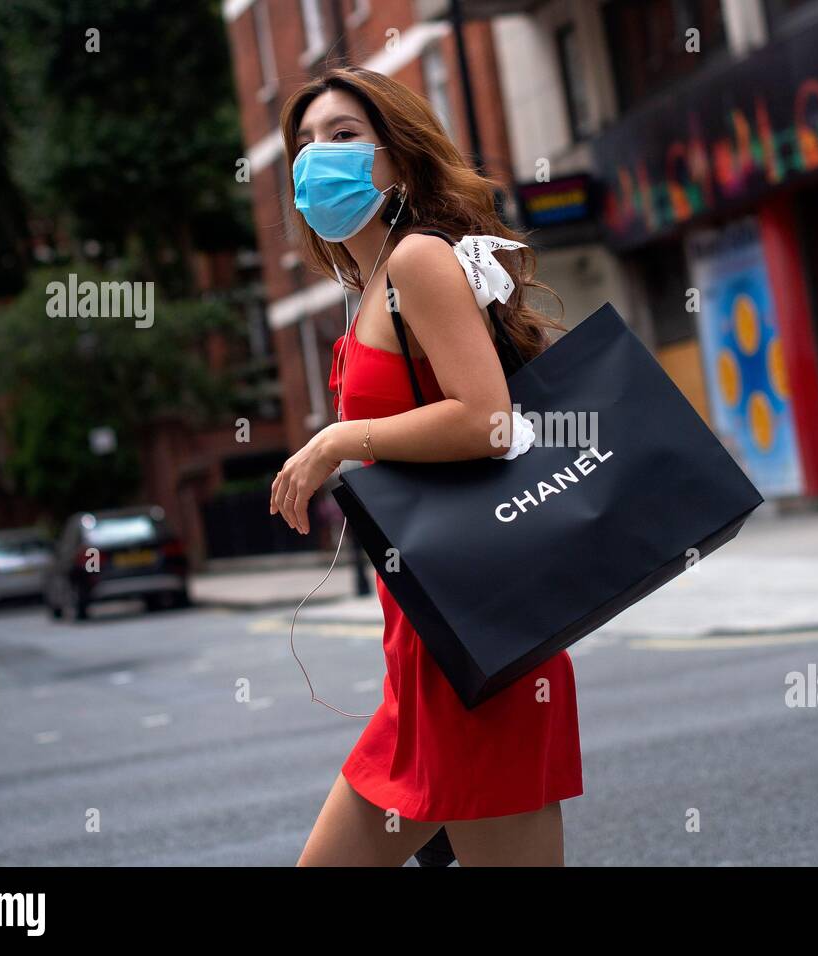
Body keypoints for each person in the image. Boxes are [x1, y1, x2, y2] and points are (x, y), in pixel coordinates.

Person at [269, 66, 583, 867]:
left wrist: (338, 440)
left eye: (343, 137)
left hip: (479, 645)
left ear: (398, 162)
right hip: (426, 647)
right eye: (304, 143)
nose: (318, 157)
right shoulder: (370, 281)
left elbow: (487, 421)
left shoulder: (416, 262)